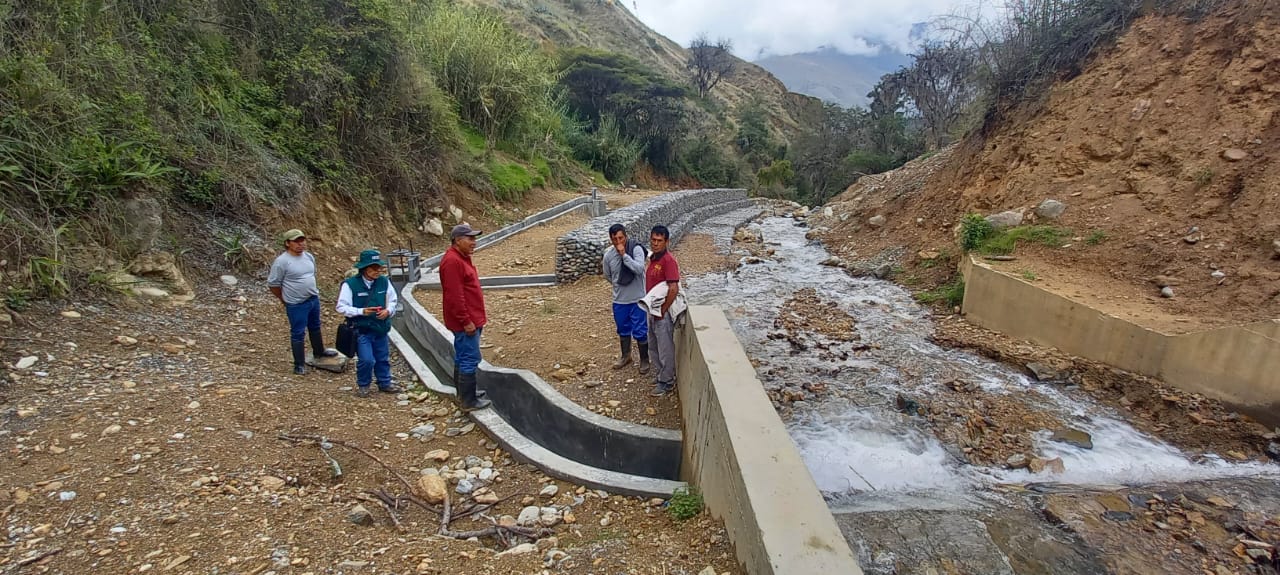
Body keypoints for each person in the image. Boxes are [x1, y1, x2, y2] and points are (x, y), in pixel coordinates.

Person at [268, 229, 337, 375]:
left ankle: (319, 351)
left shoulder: (309, 257)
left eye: (302, 240)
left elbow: (312, 274)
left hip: (312, 298)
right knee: (298, 332)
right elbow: (274, 284)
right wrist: (284, 299)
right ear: (288, 243)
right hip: (296, 303)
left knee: (315, 326)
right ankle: (298, 364)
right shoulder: (282, 262)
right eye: (296, 241)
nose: (300, 244)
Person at [336, 250, 404, 398]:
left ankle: (384, 383)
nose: (377, 271)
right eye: (374, 268)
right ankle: (364, 385)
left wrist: (388, 311)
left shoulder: (384, 282)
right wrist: (361, 311)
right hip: (362, 330)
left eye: (379, 268)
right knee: (366, 360)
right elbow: (341, 307)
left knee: (382, 358)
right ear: (365, 269)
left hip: (381, 328)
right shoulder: (350, 285)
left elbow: (393, 300)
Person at [439, 224, 492, 411]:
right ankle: (468, 401)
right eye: (470, 239)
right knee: (470, 357)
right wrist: (466, 321)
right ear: (458, 240)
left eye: (474, 239)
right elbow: (455, 296)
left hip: (471, 317)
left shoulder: (461, 258)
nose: (474, 243)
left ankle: (464, 393)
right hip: (466, 321)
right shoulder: (453, 262)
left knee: (462, 356)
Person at [601, 224, 649, 374]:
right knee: (623, 329)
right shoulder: (608, 256)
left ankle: (644, 359)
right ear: (611, 239)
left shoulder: (636, 250)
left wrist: (624, 256)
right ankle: (626, 355)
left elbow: (639, 269)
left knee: (640, 331)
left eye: (620, 238)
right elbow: (608, 275)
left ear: (626, 236)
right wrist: (618, 286)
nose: (618, 241)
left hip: (637, 300)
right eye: (614, 238)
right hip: (620, 301)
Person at [643, 225, 682, 396]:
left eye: (660, 241)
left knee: (665, 348)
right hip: (652, 310)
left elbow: (673, 288)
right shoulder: (653, 258)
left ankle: (667, 381)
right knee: (653, 345)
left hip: (662, 314)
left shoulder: (668, 261)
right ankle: (660, 375)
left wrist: (663, 310)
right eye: (653, 240)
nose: (656, 243)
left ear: (667, 242)